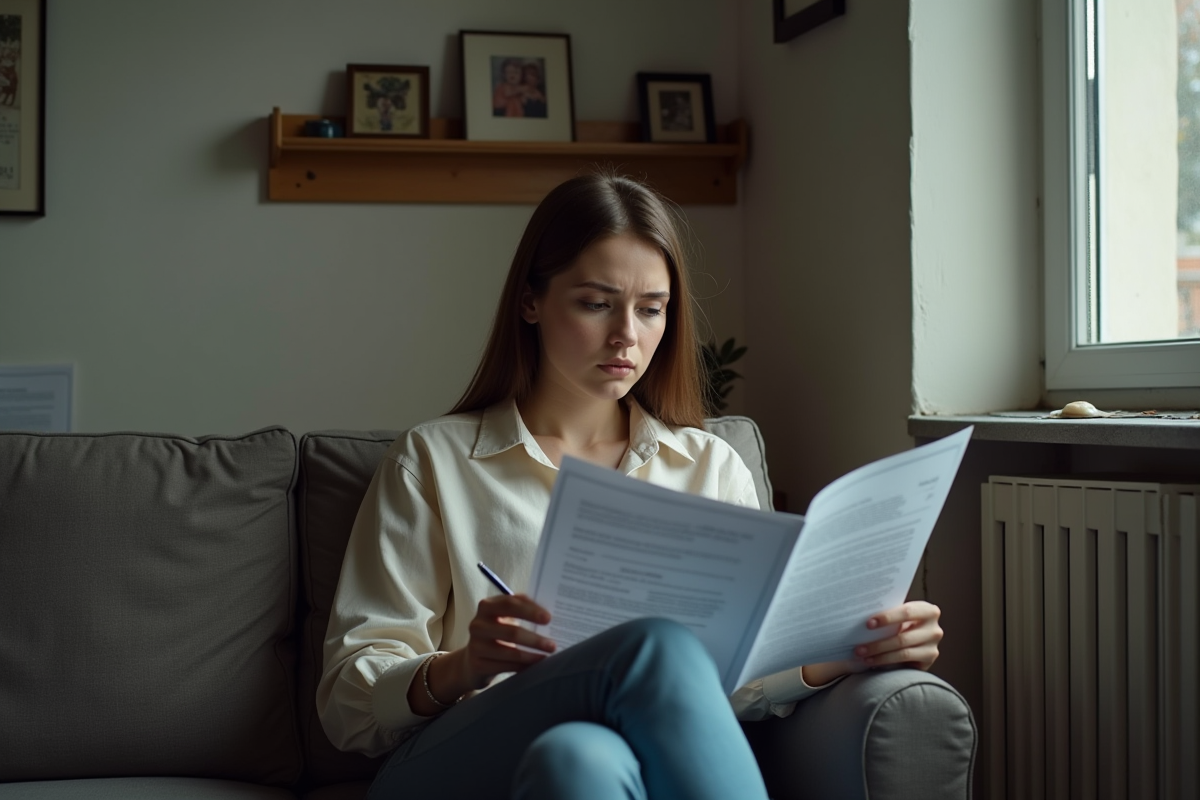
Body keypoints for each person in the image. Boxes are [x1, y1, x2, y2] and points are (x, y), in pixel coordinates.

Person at [317, 173, 945, 799]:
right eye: (596, 303)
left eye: (651, 309)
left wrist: (856, 648)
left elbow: (739, 681)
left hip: (587, 758)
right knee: (654, 645)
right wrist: (463, 666)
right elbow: (348, 700)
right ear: (531, 301)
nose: (627, 335)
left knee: (580, 760)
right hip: (450, 762)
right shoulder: (434, 459)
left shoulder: (709, 465)